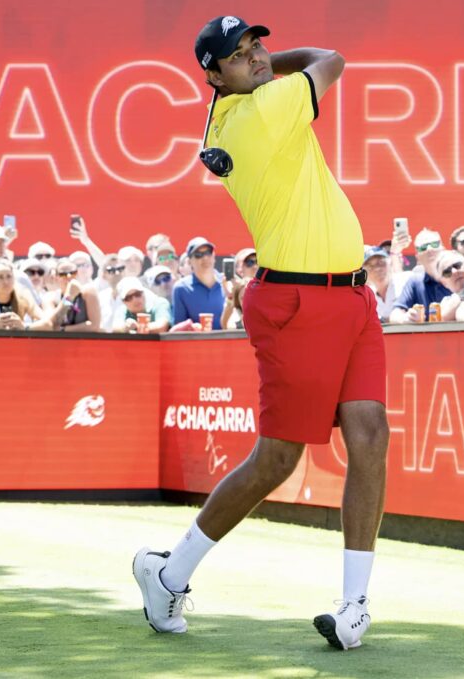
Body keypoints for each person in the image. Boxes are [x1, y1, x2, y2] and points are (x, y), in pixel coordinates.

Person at [134, 17, 388, 651]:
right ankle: (169, 573)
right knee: (277, 459)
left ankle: (354, 608)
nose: (255, 57)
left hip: (352, 296)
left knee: (370, 434)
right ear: (214, 76)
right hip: (295, 301)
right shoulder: (260, 111)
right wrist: (277, 65)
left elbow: (292, 69)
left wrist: (263, 65)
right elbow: (331, 58)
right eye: (238, 55)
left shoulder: (238, 108)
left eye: (256, 46)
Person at [172, 237, 224, 330]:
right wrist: (191, 327)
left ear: (214, 256)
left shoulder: (227, 283)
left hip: (230, 343)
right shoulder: (181, 288)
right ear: (190, 261)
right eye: (198, 255)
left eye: (208, 252)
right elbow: (179, 330)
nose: (205, 257)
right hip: (198, 343)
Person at [44, 257, 102, 332]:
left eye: (72, 273)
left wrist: (63, 330)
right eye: (63, 274)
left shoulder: (88, 292)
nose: (69, 276)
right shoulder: (50, 297)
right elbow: (50, 324)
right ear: (56, 278)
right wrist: (68, 297)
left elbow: (94, 326)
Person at [362, 246, 395, 322]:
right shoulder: (367, 297)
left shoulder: (403, 284)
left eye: (381, 263)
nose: (377, 269)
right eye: (371, 266)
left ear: (389, 263)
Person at [95, 253, 128, 331]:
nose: (117, 273)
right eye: (111, 270)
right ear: (103, 275)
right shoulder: (99, 298)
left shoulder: (136, 294)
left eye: (120, 269)